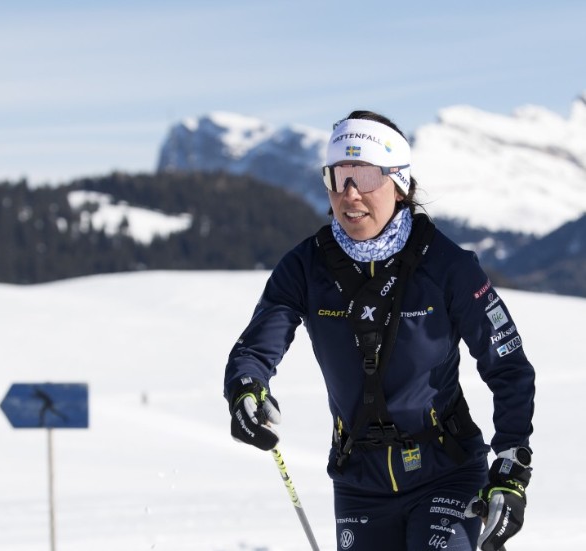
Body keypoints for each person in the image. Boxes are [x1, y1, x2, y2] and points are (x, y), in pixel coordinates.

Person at [224, 111, 535, 551]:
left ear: (400, 183)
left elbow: (509, 367)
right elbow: (256, 348)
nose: (350, 194)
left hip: (446, 472)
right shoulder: (305, 266)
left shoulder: (447, 266)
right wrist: (245, 389)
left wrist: (511, 466)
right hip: (359, 481)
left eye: (366, 176)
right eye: (338, 176)